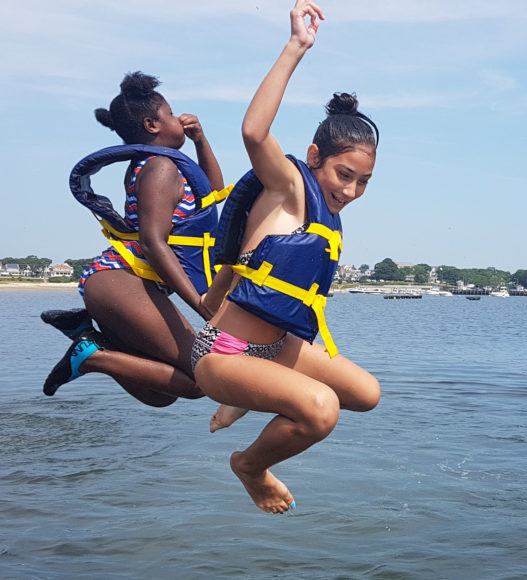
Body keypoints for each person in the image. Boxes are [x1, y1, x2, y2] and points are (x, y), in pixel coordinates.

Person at [191, 0, 380, 514]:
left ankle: (248, 397)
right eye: (345, 175)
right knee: (321, 409)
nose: (354, 191)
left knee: (366, 393)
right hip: (223, 352)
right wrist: (297, 45)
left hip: (273, 350)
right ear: (315, 156)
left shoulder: (326, 216)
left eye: (364, 182)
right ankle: (250, 466)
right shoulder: (290, 186)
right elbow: (253, 132)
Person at [41, 71, 232, 407]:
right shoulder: (160, 168)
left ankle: (87, 337)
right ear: (152, 125)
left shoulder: (164, 165)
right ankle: (90, 356)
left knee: (160, 397)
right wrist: (202, 305)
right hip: (119, 282)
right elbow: (152, 243)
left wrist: (201, 140)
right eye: (171, 114)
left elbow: (214, 193)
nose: (179, 118)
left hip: (129, 285)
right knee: (205, 376)